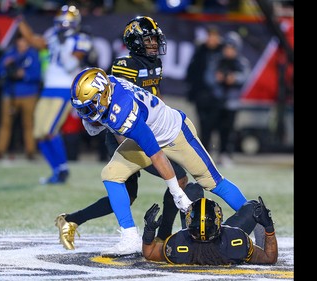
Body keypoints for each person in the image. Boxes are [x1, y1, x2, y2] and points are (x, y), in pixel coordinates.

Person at [69, 66, 248, 256]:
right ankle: (130, 237)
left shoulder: (123, 111)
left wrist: (177, 192)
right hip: (145, 134)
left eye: (89, 106)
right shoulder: (108, 87)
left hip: (174, 135)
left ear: (103, 95)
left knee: (211, 181)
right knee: (111, 174)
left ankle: (253, 217)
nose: (85, 113)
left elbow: (157, 155)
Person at [55, 16, 197, 252]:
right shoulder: (124, 66)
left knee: (142, 191)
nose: (153, 44)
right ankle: (160, 237)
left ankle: (72, 219)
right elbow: (116, 105)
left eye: (154, 39)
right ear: (136, 42)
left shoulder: (155, 64)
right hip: (123, 133)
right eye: (148, 39)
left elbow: (154, 96)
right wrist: (136, 143)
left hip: (147, 130)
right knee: (174, 179)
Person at [17, 4, 95, 184]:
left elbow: (70, 65)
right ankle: (57, 171)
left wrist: (61, 46)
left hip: (64, 89)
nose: (63, 27)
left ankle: (63, 168)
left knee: (49, 130)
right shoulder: (52, 35)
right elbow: (31, 39)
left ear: (75, 24)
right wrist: (19, 19)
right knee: (38, 133)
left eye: (67, 24)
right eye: (61, 23)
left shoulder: (81, 39)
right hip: (48, 89)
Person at [142, 196, 278, 265]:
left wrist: (149, 231)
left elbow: (149, 252)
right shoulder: (235, 242)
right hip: (224, 246)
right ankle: (261, 241)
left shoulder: (177, 245)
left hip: (190, 249)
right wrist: (269, 227)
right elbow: (269, 257)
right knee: (254, 208)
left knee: (192, 189)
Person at [205, 31, 251, 166]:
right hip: (217, 100)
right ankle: (209, 155)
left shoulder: (241, 62)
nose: (229, 51)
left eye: (232, 48)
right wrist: (216, 78)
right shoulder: (217, 60)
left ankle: (225, 154)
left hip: (232, 102)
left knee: (228, 131)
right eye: (227, 48)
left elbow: (246, 78)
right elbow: (208, 77)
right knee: (211, 128)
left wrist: (234, 78)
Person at [0, 32, 41, 160]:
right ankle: (0, 150)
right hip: (10, 94)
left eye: (24, 41)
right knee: (5, 123)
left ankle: (31, 151)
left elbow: (37, 74)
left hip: (29, 94)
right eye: (20, 41)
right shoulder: (10, 54)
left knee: (28, 124)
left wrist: (24, 74)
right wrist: (6, 67)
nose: (22, 44)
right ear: (16, 42)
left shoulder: (32, 54)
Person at [185, 25, 223, 153]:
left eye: (214, 36)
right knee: (202, 123)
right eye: (210, 36)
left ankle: (217, 150)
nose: (211, 39)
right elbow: (191, 71)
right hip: (201, 94)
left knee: (215, 124)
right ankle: (205, 150)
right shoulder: (200, 51)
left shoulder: (222, 52)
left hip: (217, 94)